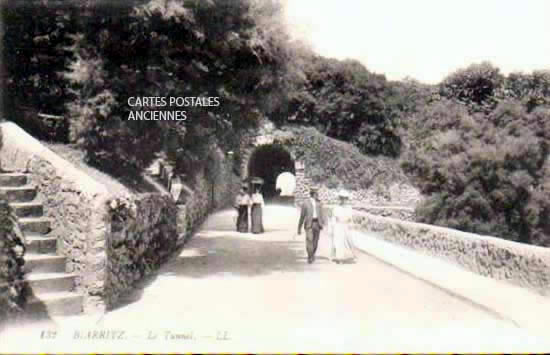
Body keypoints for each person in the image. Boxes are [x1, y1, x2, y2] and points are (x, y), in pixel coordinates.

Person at [297, 187, 325, 264]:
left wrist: (323, 224)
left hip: (317, 224)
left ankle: (312, 254)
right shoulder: (305, 203)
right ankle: (310, 256)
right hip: (309, 224)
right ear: (313, 194)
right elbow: (302, 216)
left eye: (317, 194)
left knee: (315, 242)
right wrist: (299, 228)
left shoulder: (319, 203)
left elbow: (322, 214)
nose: (318, 195)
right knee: (309, 240)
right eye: (317, 194)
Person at [330, 190, 356, 264]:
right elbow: (335, 218)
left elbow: (350, 218)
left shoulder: (349, 208)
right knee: (339, 242)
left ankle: (348, 256)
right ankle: (339, 258)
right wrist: (333, 227)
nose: (343, 200)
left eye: (345, 198)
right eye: (342, 198)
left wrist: (350, 224)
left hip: (346, 226)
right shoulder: (336, 208)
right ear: (340, 199)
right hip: (339, 226)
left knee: (348, 242)